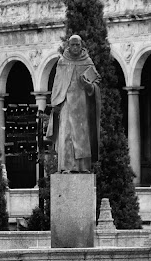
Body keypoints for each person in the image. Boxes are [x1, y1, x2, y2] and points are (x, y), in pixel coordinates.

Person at [47, 34, 101, 173]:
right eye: (73, 45)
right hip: (66, 103)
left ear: (82, 45)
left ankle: (83, 167)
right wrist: (56, 104)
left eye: (78, 45)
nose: (75, 47)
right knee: (66, 135)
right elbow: (57, 84)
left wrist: (89, 86)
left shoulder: (87, 61)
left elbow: (96, 82)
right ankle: (66, 166)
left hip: (82, 104)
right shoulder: (62, 61)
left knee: (82, 136)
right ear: (68, 46)